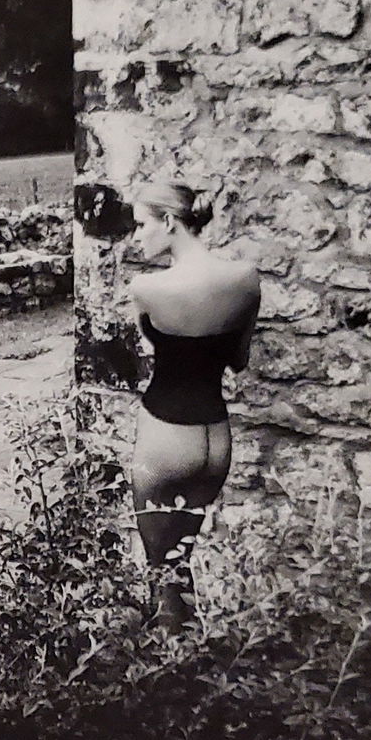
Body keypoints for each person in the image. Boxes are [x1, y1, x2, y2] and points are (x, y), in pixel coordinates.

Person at [127, 181, 260, 631]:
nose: (136, 237)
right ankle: (195, 663)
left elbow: (153, 352)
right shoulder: (245, 279)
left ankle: (167, 681)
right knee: (181, 567)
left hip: (165, 438)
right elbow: (238, 362)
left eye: (141, 224)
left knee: (161, 581)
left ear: (168, 222)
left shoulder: (146, 287)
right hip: (215, 442)